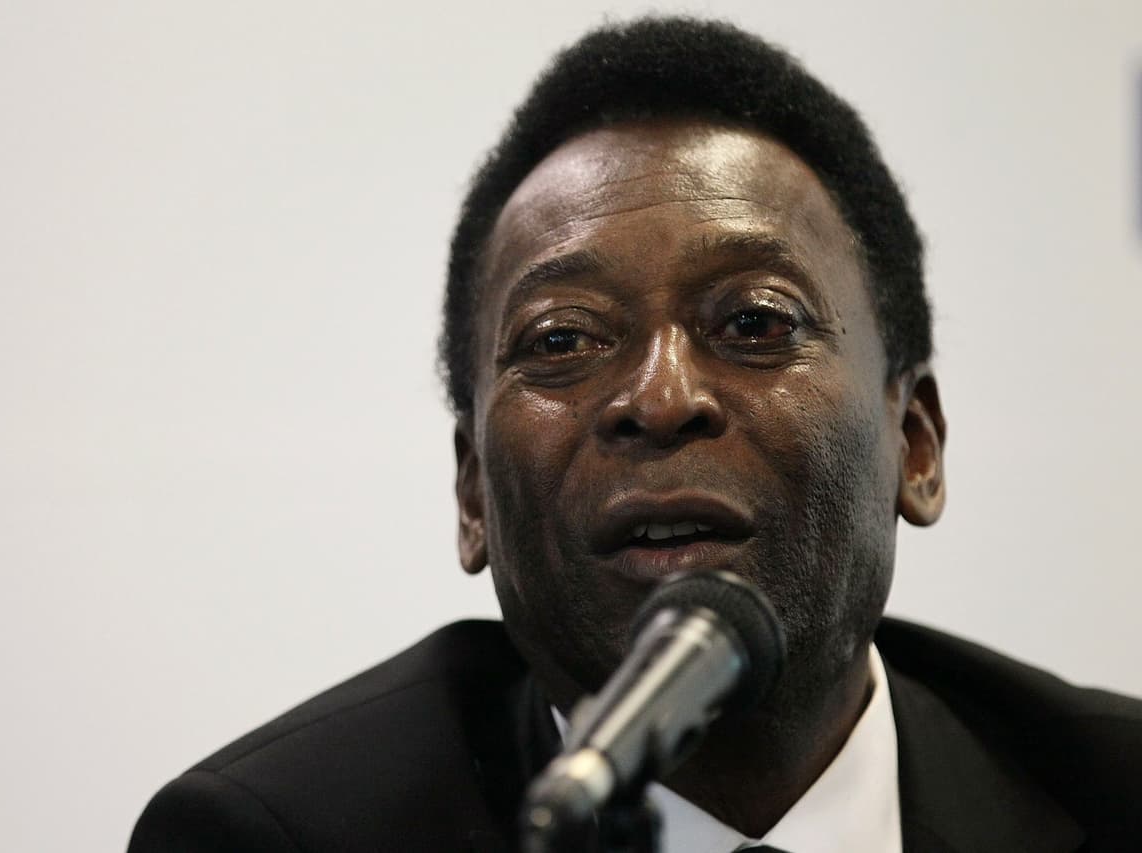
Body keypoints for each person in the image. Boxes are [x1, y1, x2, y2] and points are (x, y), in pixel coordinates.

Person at [128, 16, 1142, 852]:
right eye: (562, 339)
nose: (658, 399)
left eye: (753, 323)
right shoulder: (279, 839)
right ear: (473, 491)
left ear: (914, 445)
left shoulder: (1112, 794)